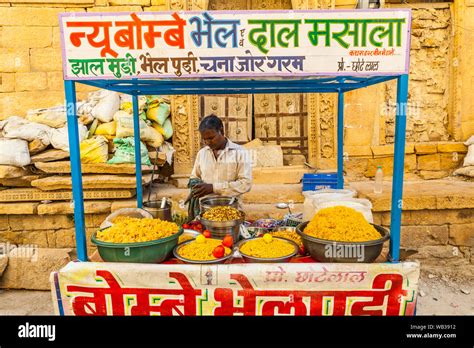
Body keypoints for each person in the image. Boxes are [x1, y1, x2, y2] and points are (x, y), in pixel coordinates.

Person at [186, 114, 252, 219]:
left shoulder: (240, 152)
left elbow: (245, 184)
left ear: (222, 131)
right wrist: (196, 186)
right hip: (206, 212)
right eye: (204, 139)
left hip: (231, 211)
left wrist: (213, 188)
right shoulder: (202, 153)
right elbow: (195, 177)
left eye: (211, 138)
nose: (207, 142)